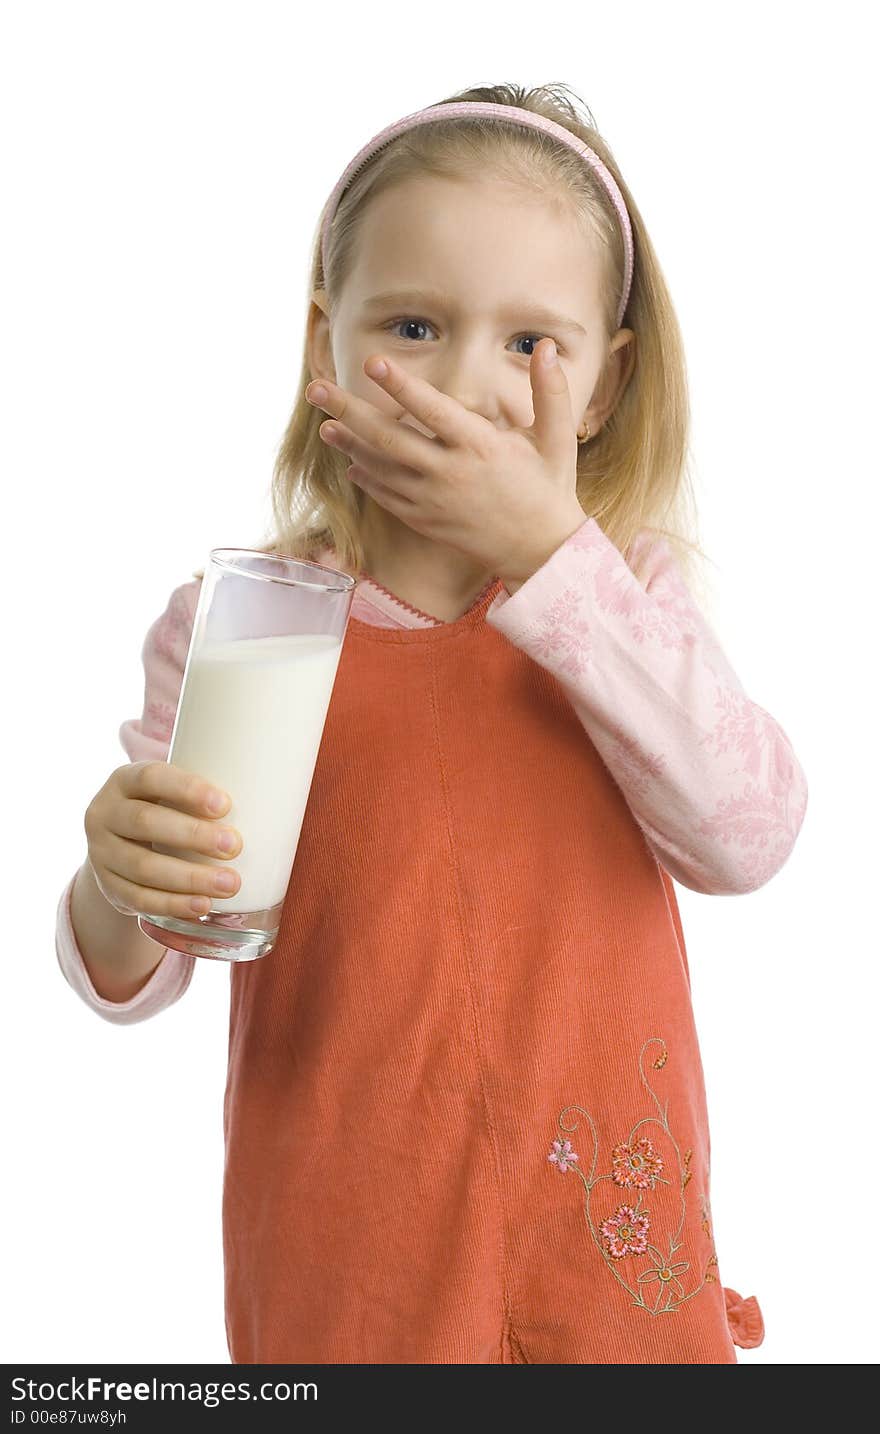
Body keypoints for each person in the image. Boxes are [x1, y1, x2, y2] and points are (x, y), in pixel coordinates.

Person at [56, 83, 806, 1364]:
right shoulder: (244, 620)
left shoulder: (625, 611)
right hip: (353, 1281)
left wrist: (548, 554)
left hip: (603, 1272)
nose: (465, 381)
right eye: (414, 323)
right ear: (324, 346)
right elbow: (138, 969)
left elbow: (746, 835)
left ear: (601, 387)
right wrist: (118, 880)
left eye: (530, 344)